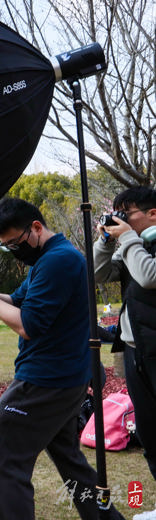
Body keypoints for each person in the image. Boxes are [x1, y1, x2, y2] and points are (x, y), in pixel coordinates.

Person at [0, 197, 124, 520]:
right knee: (69, 459)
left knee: (2, 460)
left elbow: (27, 325)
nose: (15, 251)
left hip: (45, 380)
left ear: (36, 227)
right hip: (66, 377)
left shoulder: (57, 261)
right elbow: (17, 300)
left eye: (15, 243)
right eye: (7, 247)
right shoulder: (50, 258)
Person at [94, 186, 156, 496]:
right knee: (149, 433)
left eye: (126, 214)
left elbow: (149, 276)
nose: (120, 221)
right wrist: (106, 241)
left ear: (152, 213)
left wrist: (128, 237)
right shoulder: (132, 245)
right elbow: (96, 273)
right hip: (135, 351)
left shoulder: (138, 244)